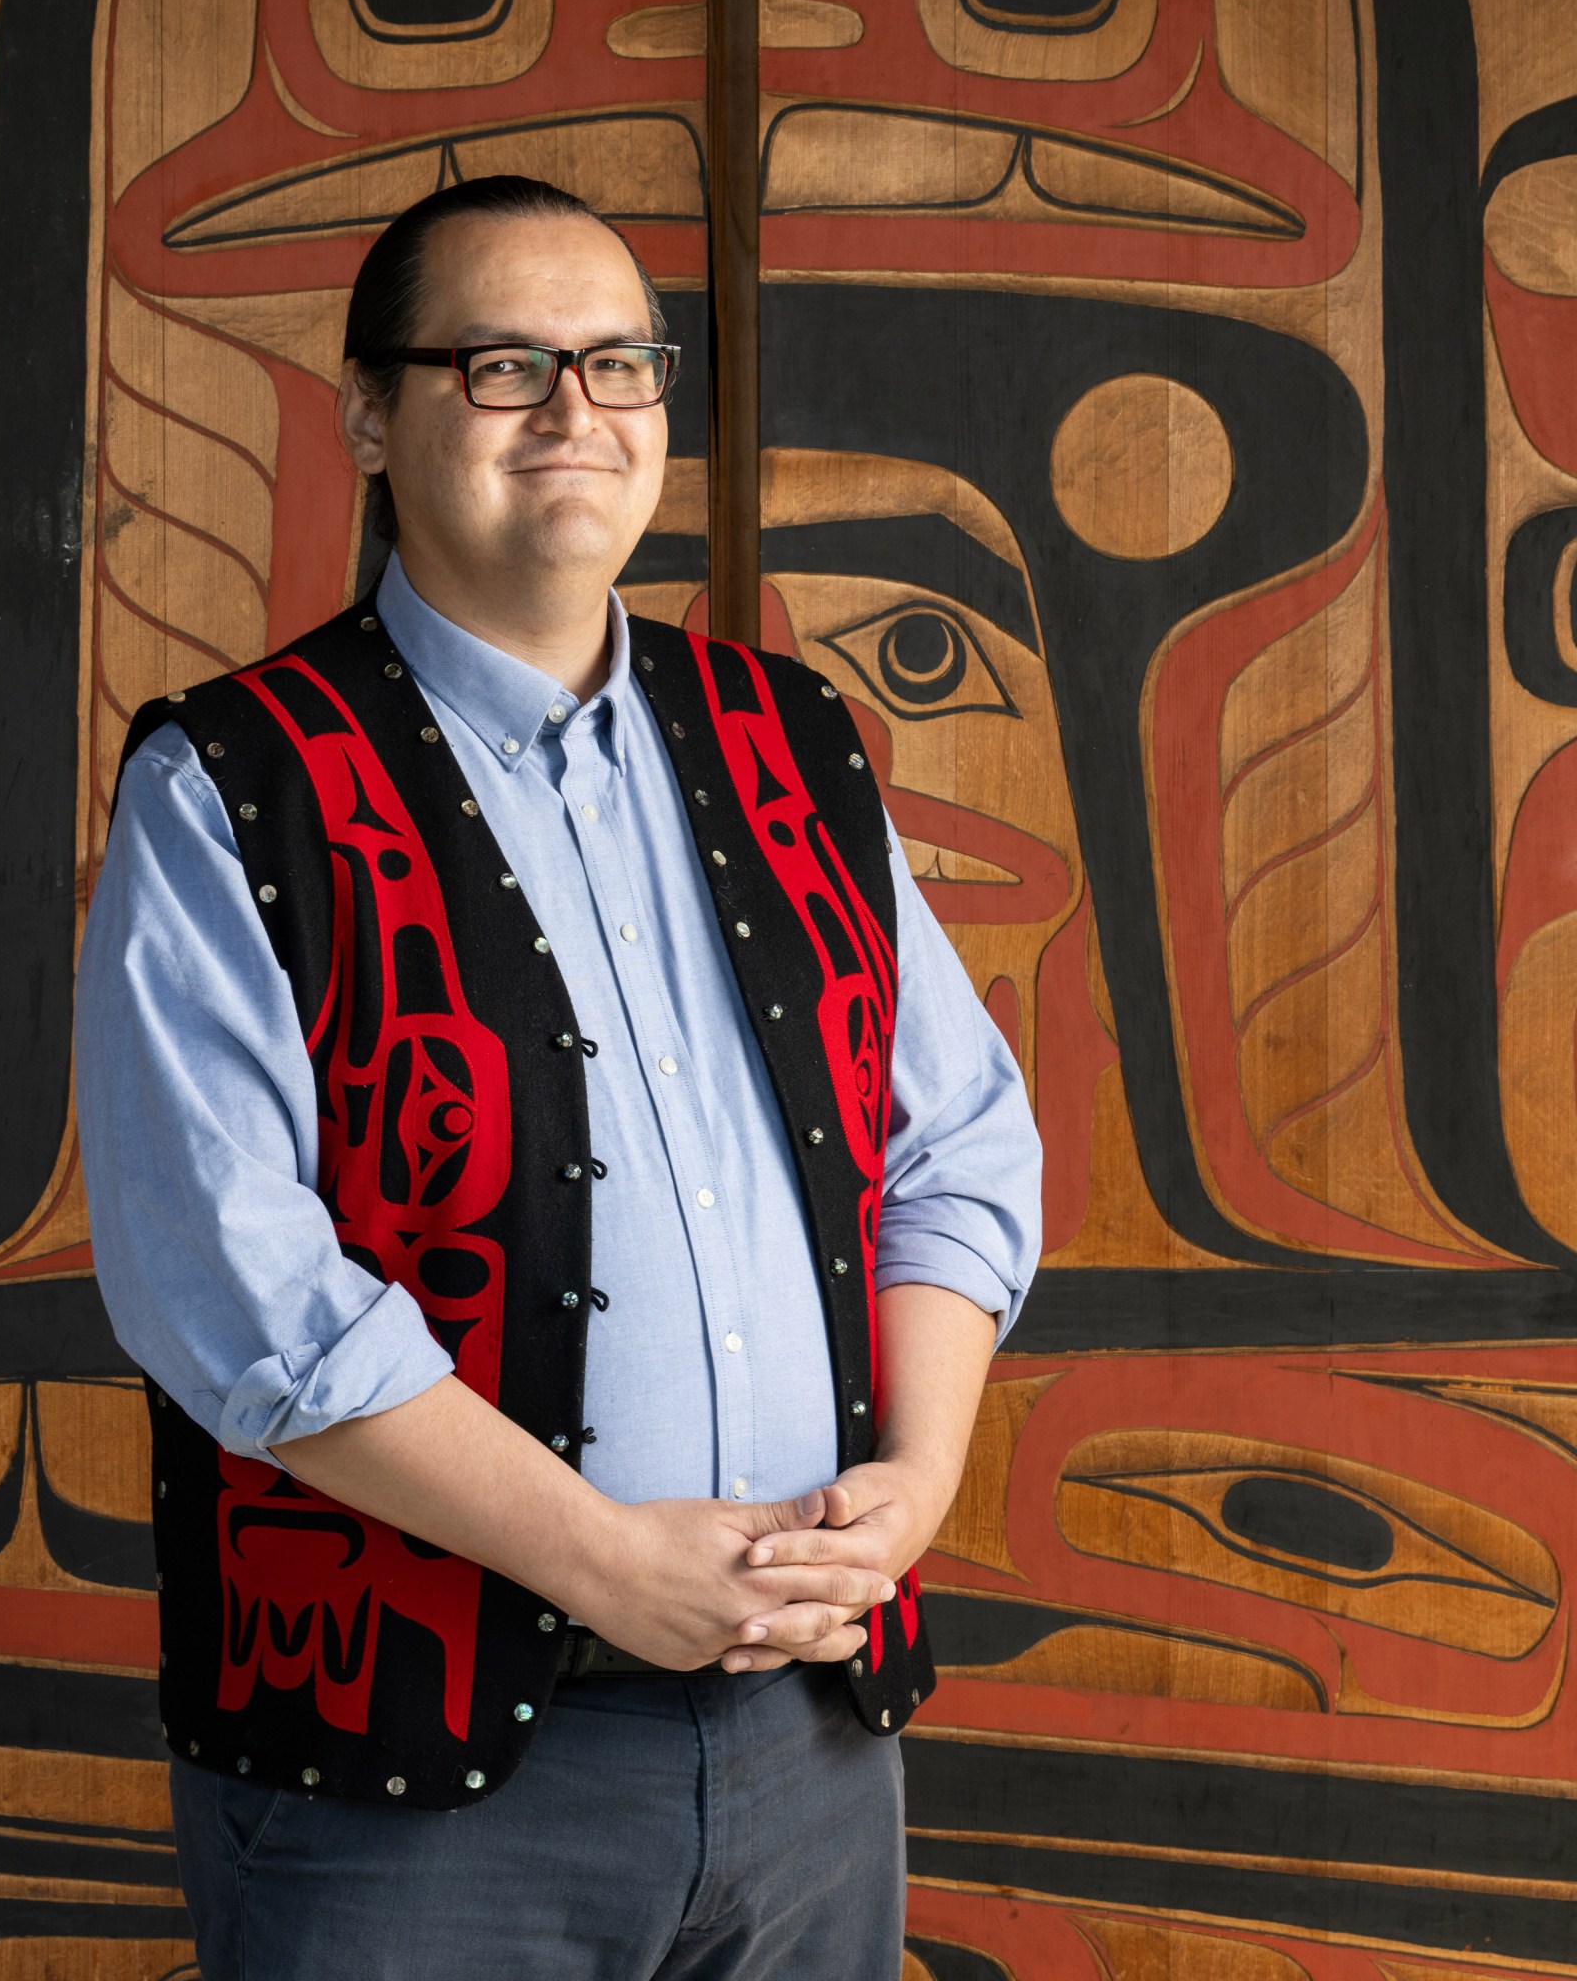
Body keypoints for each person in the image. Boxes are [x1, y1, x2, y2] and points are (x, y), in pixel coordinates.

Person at [74, 174, 1041, 1981]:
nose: (577, 412)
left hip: (815, 1747)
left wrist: (915, 1484)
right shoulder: (233, 785)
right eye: (506, 365)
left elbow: (960, 1146)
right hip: (409, 1796)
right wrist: (604, 1564)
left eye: (619, 363)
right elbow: (237, 1290)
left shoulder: (794, 740)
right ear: (371, 411)